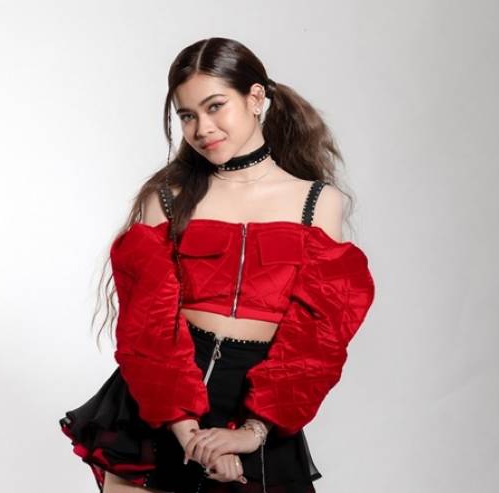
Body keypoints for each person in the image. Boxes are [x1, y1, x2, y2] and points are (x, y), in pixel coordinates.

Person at [58, 37, 376, 493]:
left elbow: (319, 336)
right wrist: (190, 434)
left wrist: (251, 432)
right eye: (187, 115)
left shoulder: (317, 202)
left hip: (260, 404)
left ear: (255, 98)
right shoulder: (167, 198)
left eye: (215, 106)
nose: (202, 128)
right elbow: (147, 327)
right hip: (160, 401)